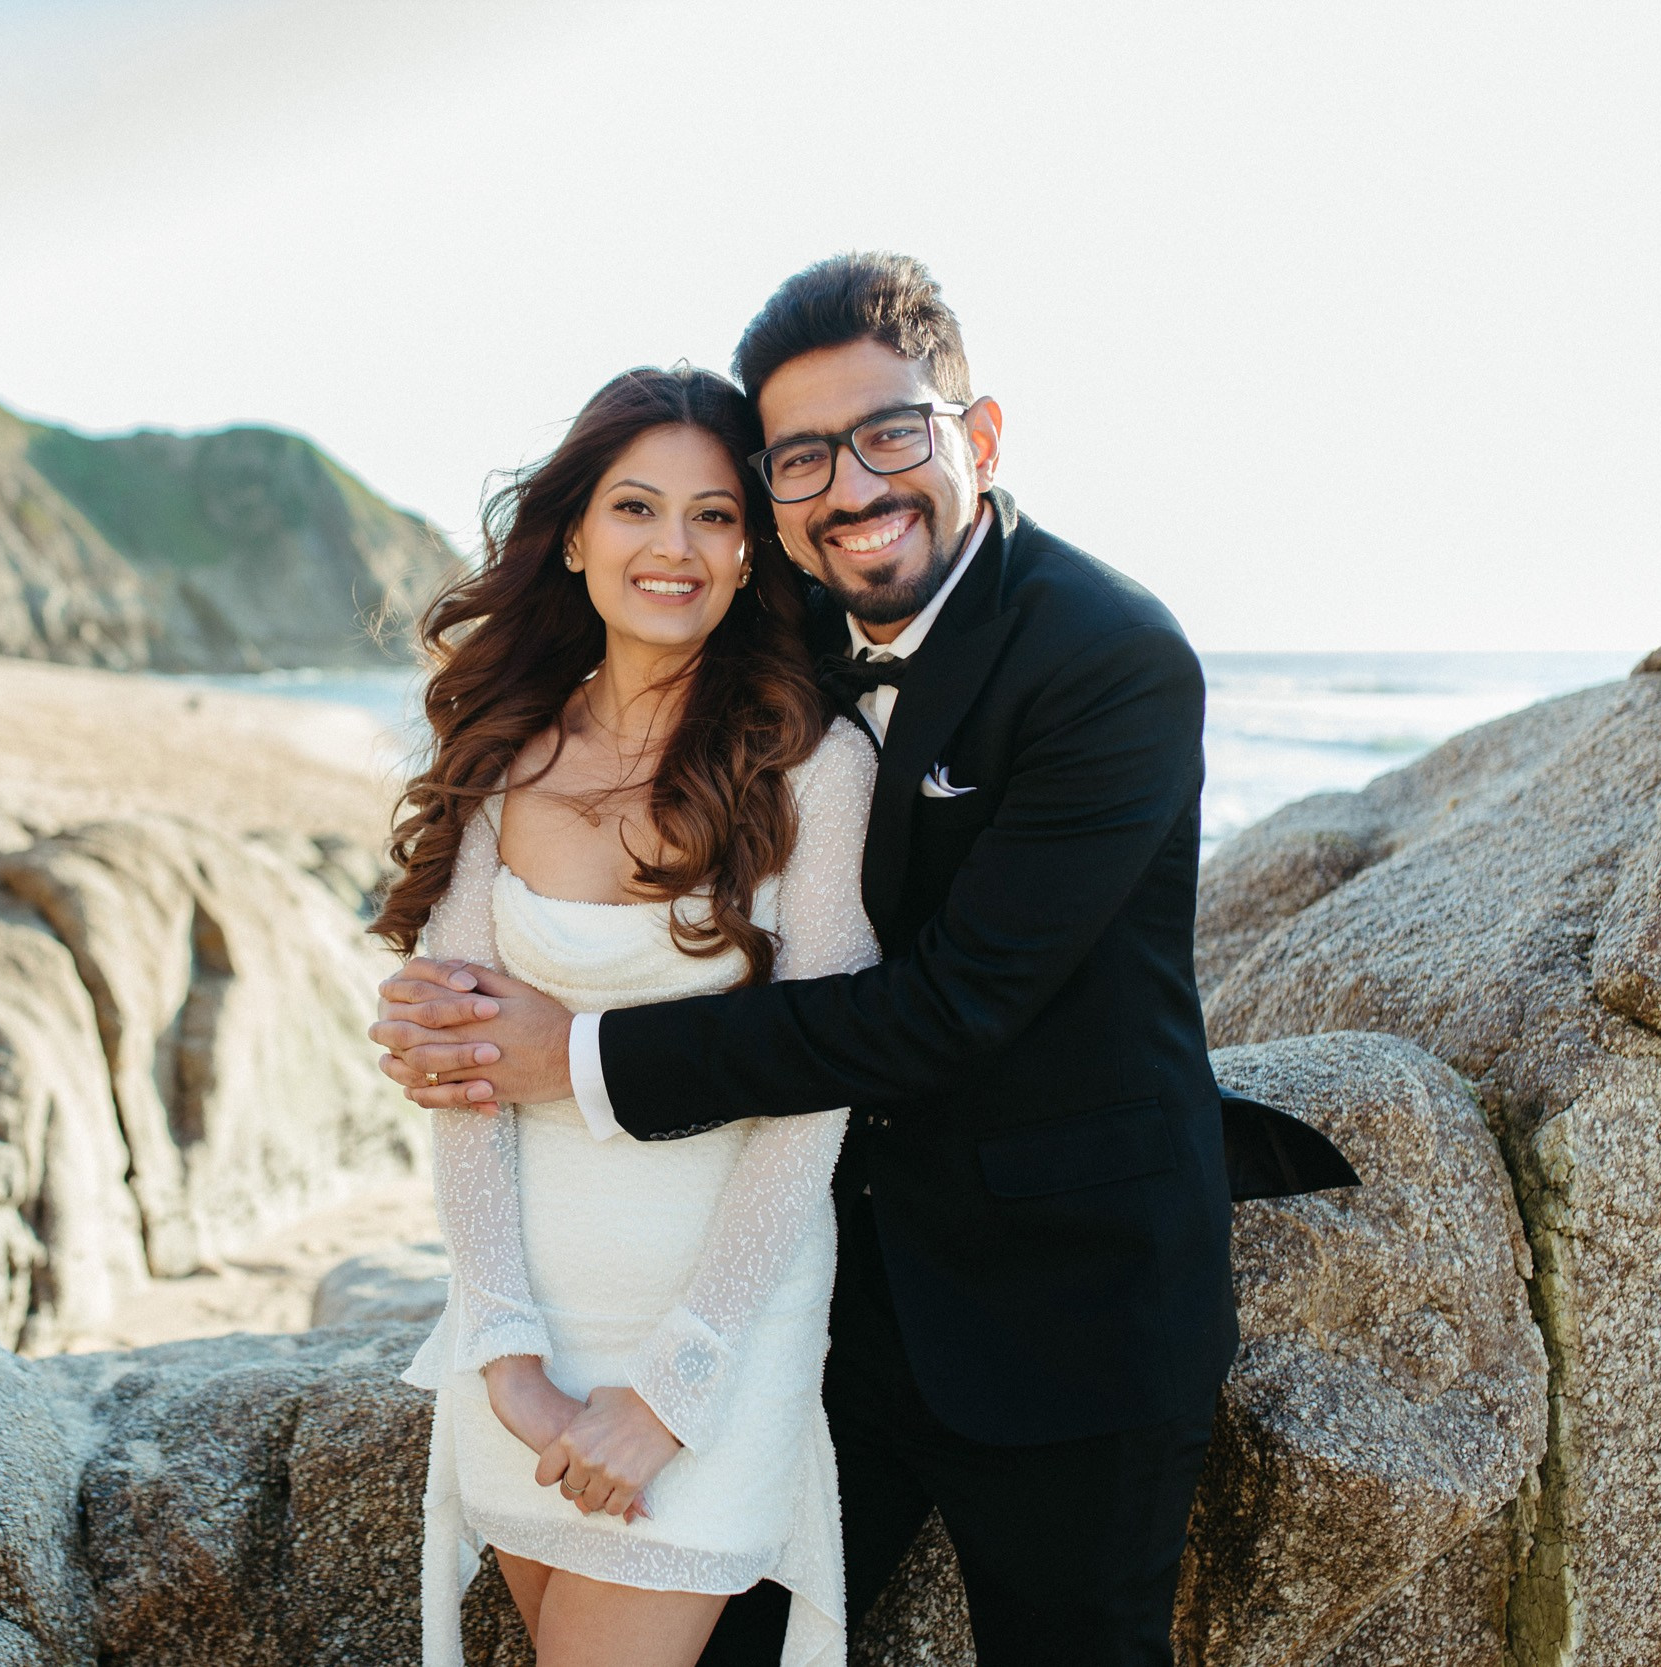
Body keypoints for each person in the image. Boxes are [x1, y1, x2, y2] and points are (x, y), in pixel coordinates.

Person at [374, 253, 1239, 1667]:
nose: (853, 487)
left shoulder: (1110, 657)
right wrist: (454, 1018)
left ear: (983, 433)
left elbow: (950, 1006)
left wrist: (576, 1052)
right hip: (832, 1303)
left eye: (894, 433)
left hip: (1065, 1298)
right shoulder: (785, 641)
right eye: (803, 459)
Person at [374, 363, 881, 1667]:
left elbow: (811, 1093)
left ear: (751, 552)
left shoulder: (813, 765)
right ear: (578, 536)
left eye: (714, 516)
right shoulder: (504, 755)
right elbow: (461, 1081)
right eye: (637, 508)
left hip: (719, 1333)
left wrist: (678, 1384)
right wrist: (504, 1353)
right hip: (528, 1331)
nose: (675, 547)